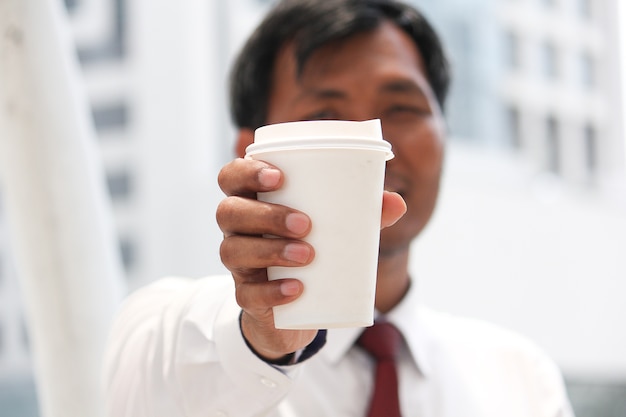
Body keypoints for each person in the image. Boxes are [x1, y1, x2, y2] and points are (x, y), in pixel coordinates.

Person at [103, 1, 575, 416]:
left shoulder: (521, 379)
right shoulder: (167, 334)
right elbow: (167, 374)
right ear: (253, 152)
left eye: (404, 108)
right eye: (324, 116)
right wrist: (260, 338)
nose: (374, 142)